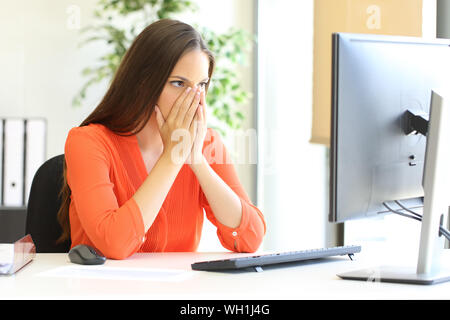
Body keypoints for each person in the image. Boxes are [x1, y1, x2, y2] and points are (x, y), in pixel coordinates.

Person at [57, 19, 266, 259]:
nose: (193, 98)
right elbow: (113, 244)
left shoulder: (206, 143)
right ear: (143, 84)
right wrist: (172, 157)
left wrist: (196, 161)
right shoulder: (88, 142)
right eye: (178, 83)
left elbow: (251, 238)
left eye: (201, 85)